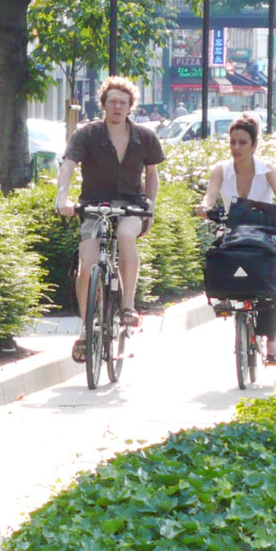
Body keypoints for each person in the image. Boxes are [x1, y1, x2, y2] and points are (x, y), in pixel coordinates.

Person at [56, 76, 164, 350]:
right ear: (103, 104)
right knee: (87, 265)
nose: (117, 107)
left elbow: (152, 174)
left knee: (127, 234)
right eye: (112, 102)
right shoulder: (87, 134)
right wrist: (62, 198)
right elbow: (68, 165)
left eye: (123, 103)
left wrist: (150, 206)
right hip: (95, 205)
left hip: (131, 204)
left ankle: (128, 306)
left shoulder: (145, 137)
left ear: (131, 106)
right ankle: (85, 329)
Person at [200, 114, 276, 363]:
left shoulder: (267, 170)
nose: (236, 148)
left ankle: (270, 339)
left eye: (242, 143)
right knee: (217, 260)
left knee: (272, 280)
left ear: (254, 146)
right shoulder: (222, 170)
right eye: (233, 142)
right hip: (233, 233)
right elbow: (210, 195)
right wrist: (204, 206)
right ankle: (225, 301)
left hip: (262, 233)